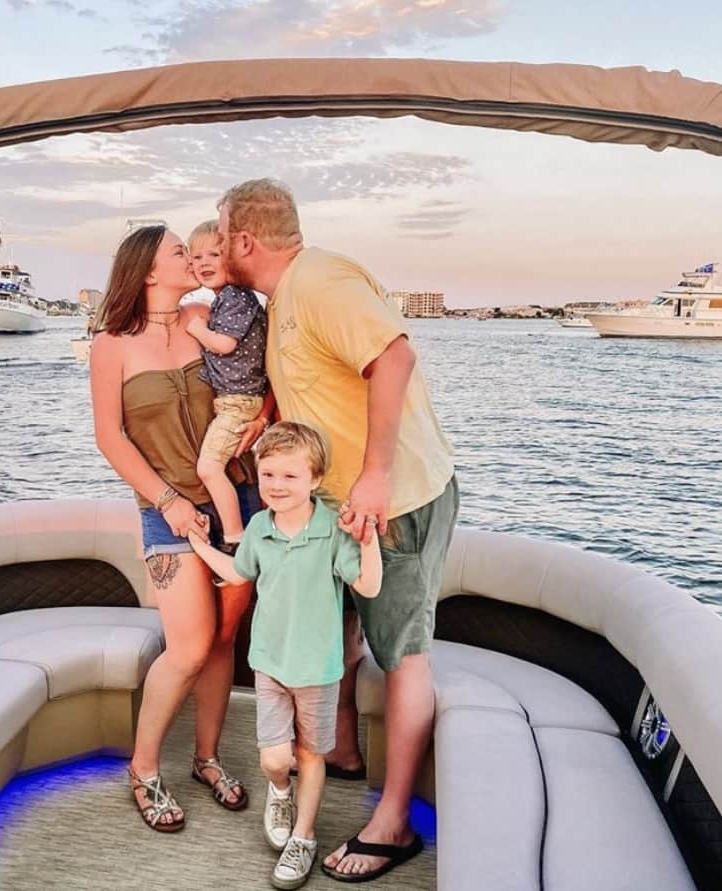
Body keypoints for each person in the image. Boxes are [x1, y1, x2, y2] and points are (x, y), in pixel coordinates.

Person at [217, 179, 458, 883]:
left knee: (403, 655)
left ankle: (394, 823)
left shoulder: (318, 278)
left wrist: (375, 475)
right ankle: (345, 752)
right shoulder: (285, 295)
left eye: (219, 231)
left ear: (242, 241)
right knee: (343, 633)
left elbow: (394, 357)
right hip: (335, 508)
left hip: (394, 501)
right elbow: (318, 382)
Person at [90, 224, 271, 833]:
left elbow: (256, 381)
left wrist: (263, 419)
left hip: (237, 502)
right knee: (189, 646)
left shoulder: (209, 317)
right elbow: (109, 438)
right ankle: (143, 770)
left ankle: (206, 758)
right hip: (167, 510)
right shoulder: (111, 342)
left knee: (223, 642)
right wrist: (166, 499)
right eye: (177, 252)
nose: (192, 260)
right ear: (146, 270)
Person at [188, 421, 382, 890]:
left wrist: (370, 538)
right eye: (268, 474)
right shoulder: (258, 527)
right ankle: (280, 792)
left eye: (290, 477)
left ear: (314, 479)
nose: (276, 485)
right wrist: (196, 543)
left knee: (311, 755)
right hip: (270, 664)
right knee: (276, 759)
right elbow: (237, 574)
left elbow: (369, 586)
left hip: (317, 669)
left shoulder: (332, 530)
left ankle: (304, 836)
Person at [185, 220, 269, 557]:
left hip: (239, 403)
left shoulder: (235, 296)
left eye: (214, 254)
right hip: (235, 401)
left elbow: (224, 344)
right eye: (196, 257)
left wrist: (197, 329)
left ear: (232, 258)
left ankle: (234, 538)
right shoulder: (227, 298)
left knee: (208, 467)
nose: (204, 263)